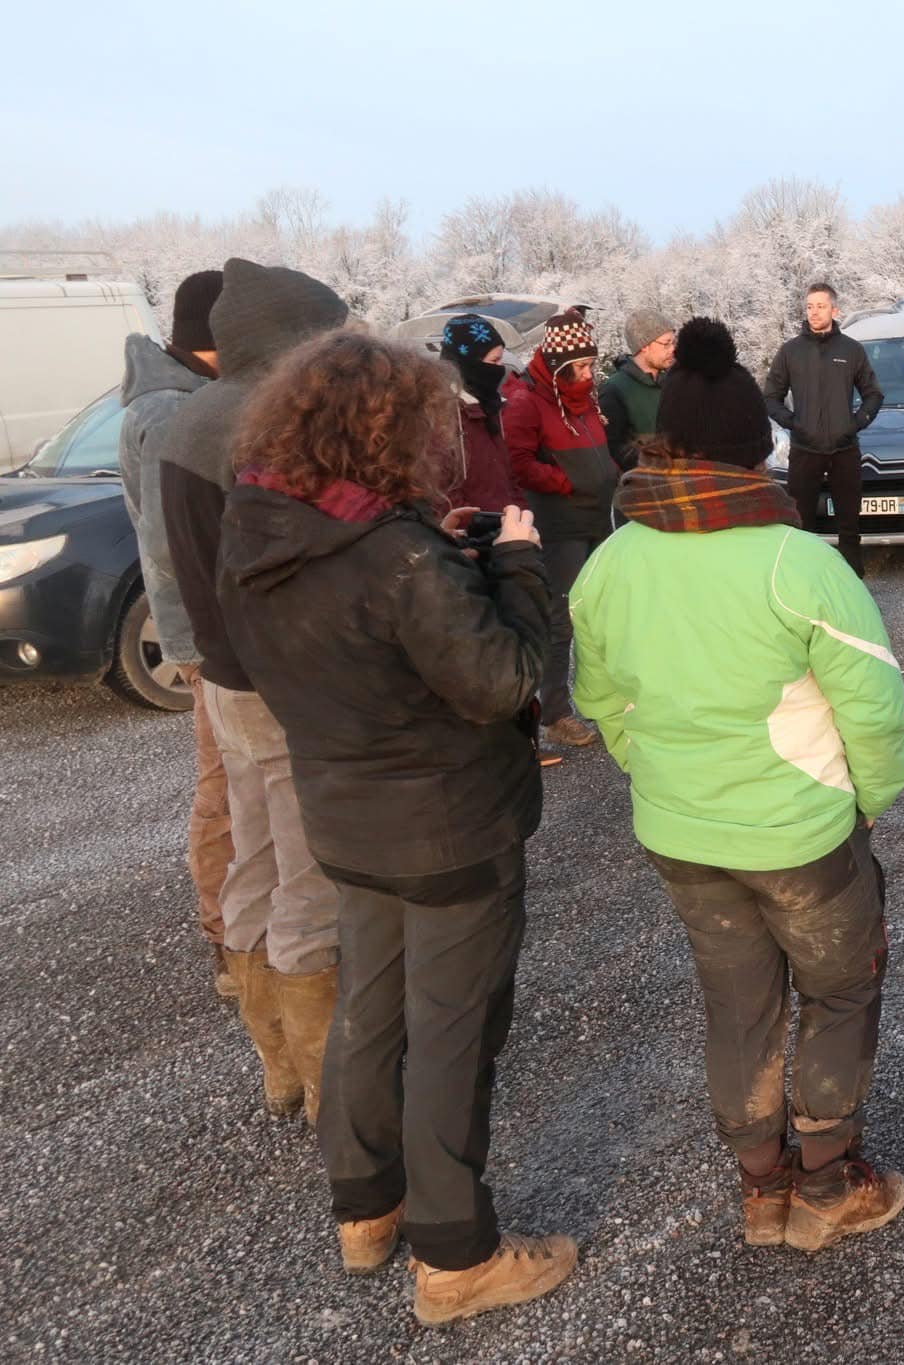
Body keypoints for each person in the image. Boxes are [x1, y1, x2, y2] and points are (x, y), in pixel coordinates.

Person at [215, 329, 574, 1326]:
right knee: (453, 1034)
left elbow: (361, 616)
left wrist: (434, 541)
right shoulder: (395, 557)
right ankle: (456, 1256)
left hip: (347, 814)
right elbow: (500, 679)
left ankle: (366, 1208)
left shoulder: (265, 522)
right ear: (386, 433)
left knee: (373, 1014)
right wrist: (514, 566)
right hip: (447, 827)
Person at [572, 318, 904, 1254]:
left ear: (666, 440)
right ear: (757, 447)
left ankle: (761, 1187)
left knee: (737, 1002)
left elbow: (598, 701)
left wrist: (662, 778)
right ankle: (828, 1180)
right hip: (801, 833)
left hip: (683, 836)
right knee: (840, 992)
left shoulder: (611, 563)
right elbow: (874, 710)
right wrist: (870, 799)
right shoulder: (797, 562)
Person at [157, 258, 348, 1123]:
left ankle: (275, 1060)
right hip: (280, 681)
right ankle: (327, 1087)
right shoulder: (259, 424)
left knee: (254, 862)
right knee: (310, 876)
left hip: (224, 678)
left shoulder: (183, 418)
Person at [117, 267, 234, 997]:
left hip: (215, 630)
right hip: (209, 637)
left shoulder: (184, 399)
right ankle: (228, 937)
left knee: (237, 782)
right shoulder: (169, 413)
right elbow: (172, 546)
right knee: (226, 786)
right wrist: (203, 647)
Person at [502, 310, 617, 748]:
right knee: (560, 618)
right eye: (581, 367)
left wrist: (612, 472)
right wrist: (565, 483)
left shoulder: (584, 398)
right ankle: (554, 711)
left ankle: (606, 695)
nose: (589, 374)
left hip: (596, 518)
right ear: (558, 366)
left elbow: (596, 450)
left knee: (601, 611)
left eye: (591, 365)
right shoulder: (528, 401)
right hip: (561, 524)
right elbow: (520, 462)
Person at [764, 282, 884, 576]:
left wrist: (855, 423)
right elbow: (770, 397)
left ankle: (854, 581)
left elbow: (873, 394)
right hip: (805, 449)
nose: (814, 312)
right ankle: (802, 579)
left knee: (849, 525)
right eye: (809, 306)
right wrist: (794, 423)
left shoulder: (851, 350)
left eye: (820, 306)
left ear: (834, 309)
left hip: (845, 449)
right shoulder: (791, 351)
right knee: (800, 523)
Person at [437, 314, 525, 520]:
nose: (499, 368)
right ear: (469, 362)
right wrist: (479, 529)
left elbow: (508, 477)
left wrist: (519, 515)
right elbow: (443, 491)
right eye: (494, 360)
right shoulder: (442, 413)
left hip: (505, 528)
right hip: (471, 539)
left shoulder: (491, 407)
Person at [598, 310, 675, 469]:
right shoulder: (614, 390)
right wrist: (655, 461)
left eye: (674, 342)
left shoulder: (674, 382)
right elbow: (613, 449)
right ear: (644, 346)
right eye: (666, 343)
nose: (672, 349)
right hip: (644, 485)